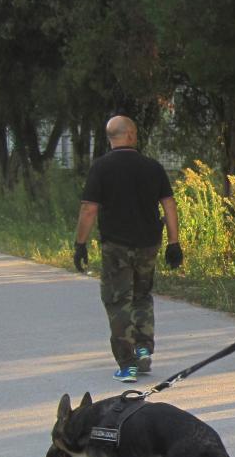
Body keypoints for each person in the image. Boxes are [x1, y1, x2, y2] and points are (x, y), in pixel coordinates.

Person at [73, 115, 183, 382]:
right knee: (142, 295)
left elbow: (89, 209)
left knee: (117, 300)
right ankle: (143, 347)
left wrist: (80, 244)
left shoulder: (101, 167)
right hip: (148, 245)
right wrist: (174, 242)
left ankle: (127, 363)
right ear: (132, 135)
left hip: (116, 247)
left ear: (111, 137)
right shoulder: (152, 167)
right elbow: (169, 205)